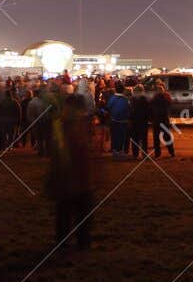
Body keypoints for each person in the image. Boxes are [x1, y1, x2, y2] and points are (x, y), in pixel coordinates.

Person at [47, 93, 98, 249]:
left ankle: (63, 241)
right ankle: (82, 241)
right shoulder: (77, 125)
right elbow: (82, 150)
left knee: (65, 211)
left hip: (66, 177)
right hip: (78, 177)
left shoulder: (60, 124)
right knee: (81, 211)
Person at [104, 87, 131, 160]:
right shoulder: (126, 99)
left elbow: (108, 107)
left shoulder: (112, 98)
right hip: (123, 121)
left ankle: (115, 151)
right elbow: (128, 109)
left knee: (115, 136)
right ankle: (120, 151)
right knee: (122, 136)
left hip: (114, 120)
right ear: (123, 91)